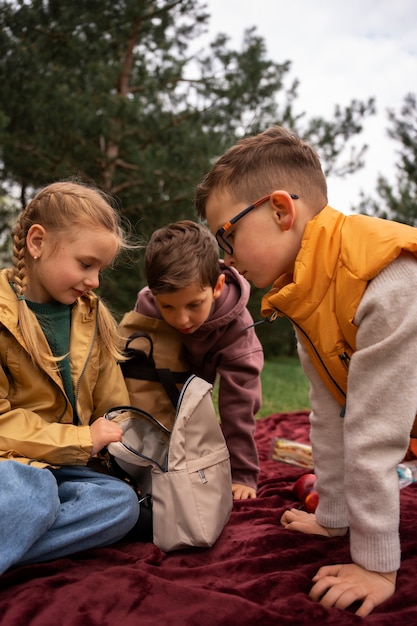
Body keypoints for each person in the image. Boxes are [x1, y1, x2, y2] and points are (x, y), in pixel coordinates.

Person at [194, 125, 417, 617]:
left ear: (280, 210)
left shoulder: (387, 279)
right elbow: (331, 414)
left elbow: (373, 433)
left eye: (226, 235)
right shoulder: (306, 290)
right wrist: (335, 516)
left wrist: (376, 565)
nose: (225, 259)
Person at [0, 181, 142, 575]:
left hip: (63, 464)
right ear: (37, 242)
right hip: (10, 466)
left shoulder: (91, 317)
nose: (95, 280)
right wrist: (82, 439)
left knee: (119, 505)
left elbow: (113, 406)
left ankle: (14, 543)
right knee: (34, 494)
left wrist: (131, 442)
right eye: (85, 264)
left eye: (100, 269)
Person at [134, 220, 264, 499]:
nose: (181, 319)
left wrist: (242, 474)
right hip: (168, 380)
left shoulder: (238, 329)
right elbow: (136, 388)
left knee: (230, 411)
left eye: (194, 305)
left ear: (217, 287)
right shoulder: (146, 310)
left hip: (215, 361)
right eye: (167, 306)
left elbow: (238, 405)